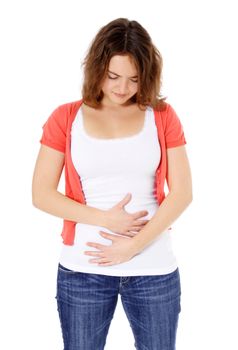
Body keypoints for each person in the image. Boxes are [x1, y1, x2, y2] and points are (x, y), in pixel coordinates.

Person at [32, 17, 192, 350]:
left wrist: (132, 246)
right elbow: (41, 194)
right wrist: (106, 219)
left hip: (153, 267)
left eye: (134, 79)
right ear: (97, 68)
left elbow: (182, 194)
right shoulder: (66, 117)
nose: (122, 88)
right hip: (82, 271)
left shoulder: (162, 116)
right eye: (113, 76)